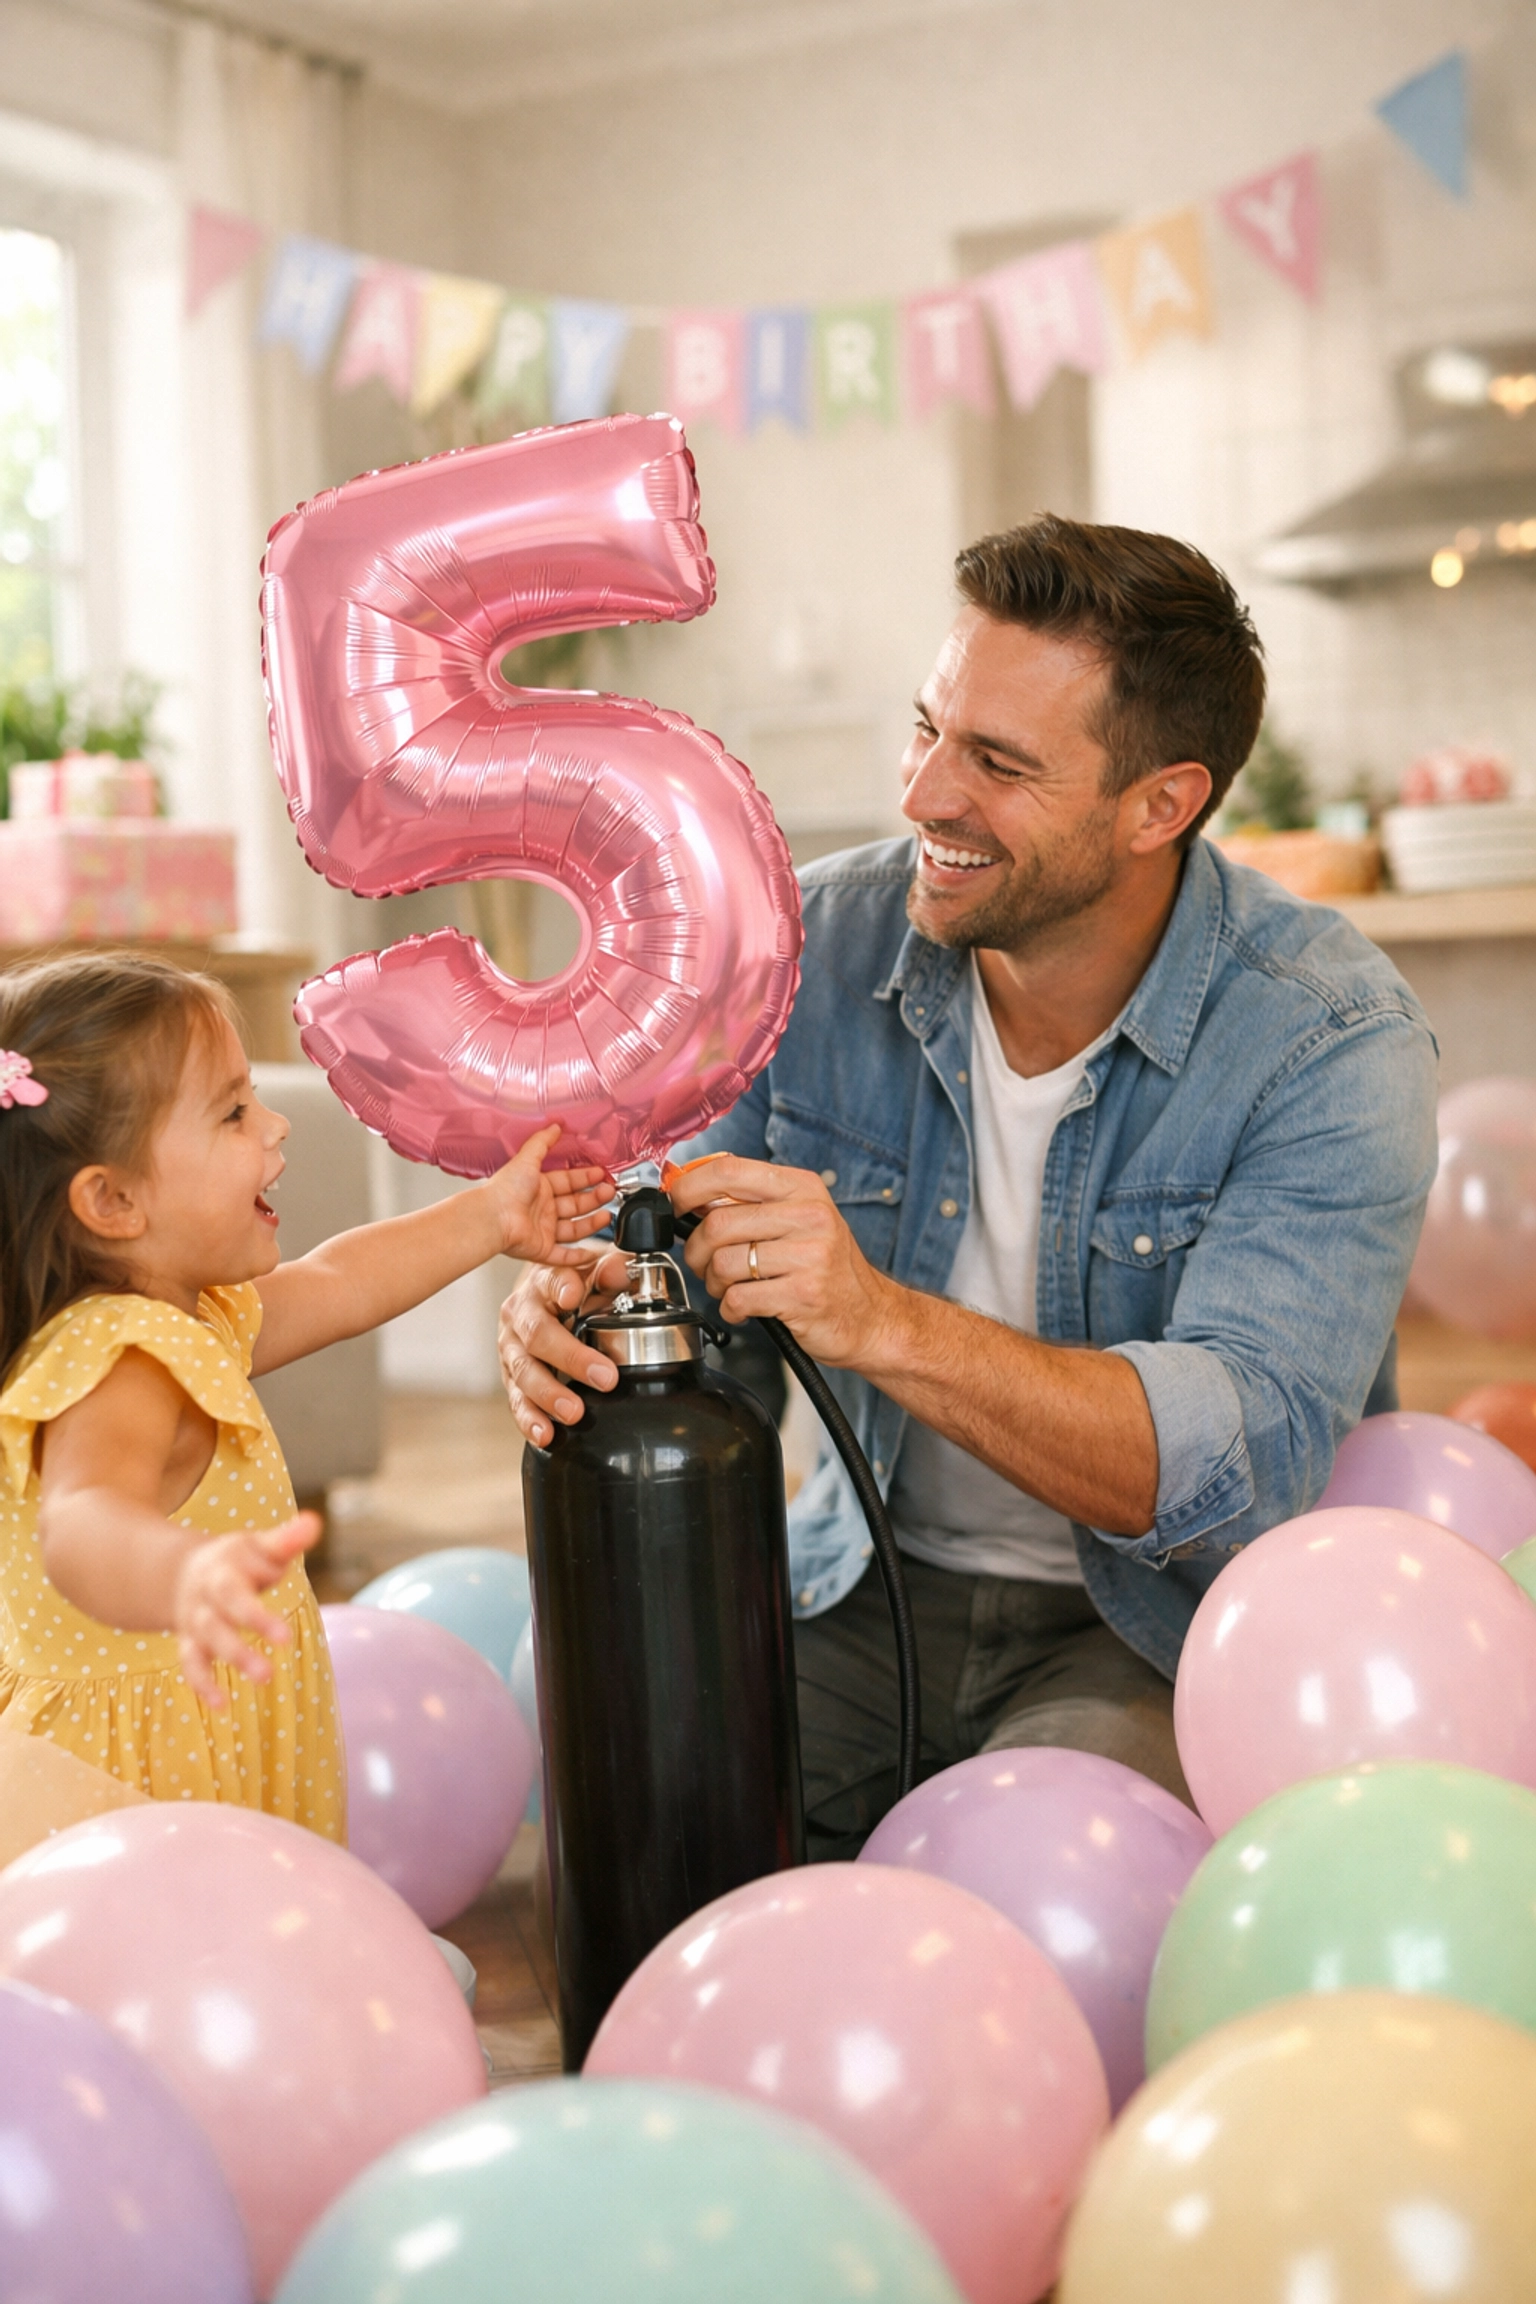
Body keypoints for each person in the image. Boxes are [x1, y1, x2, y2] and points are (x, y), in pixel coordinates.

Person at [499, 515, 1439, 1856]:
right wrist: (585, 1311)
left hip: (1161, 1631)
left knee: (1032, 1903)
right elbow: (658, 1235)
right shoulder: (808, 945)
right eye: (928, 728)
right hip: (866, 1578)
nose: (926, 793)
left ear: (1159, 805)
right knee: (635, 1806)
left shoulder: (1328, 1038)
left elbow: (1242, 1462)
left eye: (996, 762)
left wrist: (874, 1316)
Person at [0, 952, 610, 1839]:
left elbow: (341, 1282)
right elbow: (81, 1519)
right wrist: (184, 1573)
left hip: (191, 1757)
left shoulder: (192, 1318)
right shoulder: (120, 1354)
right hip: (135, 1800)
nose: (276, 1127)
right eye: (235, 1111)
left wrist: (492, 1216)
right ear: (114, 1200)